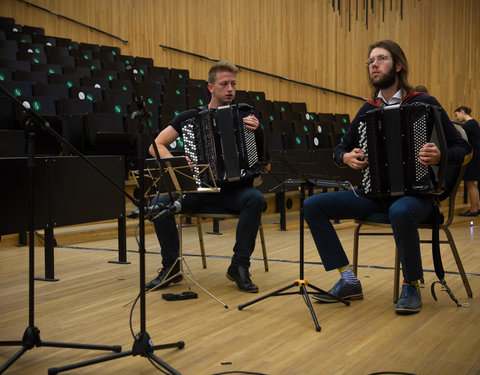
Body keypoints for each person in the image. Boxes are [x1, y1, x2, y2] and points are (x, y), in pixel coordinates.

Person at [303, 40, 472, 315]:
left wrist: (441, 155)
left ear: (398, 65)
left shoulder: (424, 104)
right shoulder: (368, 109)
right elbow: (340, 149)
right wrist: (346, 158)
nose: (374, 65)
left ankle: (412, 285)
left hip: (419, 197)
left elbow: (463, 149)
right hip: (375, 195)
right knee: (312, 206)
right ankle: (348, 280)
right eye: (370, 61)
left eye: (381, 59)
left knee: (400, 209)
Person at [145, 60, 269, 293]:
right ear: (211, 87)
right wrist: (178, 163)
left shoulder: (246, 116)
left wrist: (259, 132)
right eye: (224, 84)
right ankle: (171, 267)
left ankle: (239, 266)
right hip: (199, 192)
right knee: (158, 203)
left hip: (235, 193)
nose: (230, 89)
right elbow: (156, 146)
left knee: (256, 199)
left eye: (233, 83)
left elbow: (265, 162)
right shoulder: (189, 117)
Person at [454, 106, 480, 216]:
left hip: (472, 156)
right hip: (477, 155)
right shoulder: (475, 123)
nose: (456, 118)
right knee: (473, 184)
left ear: (462, 112)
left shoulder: (468, 125)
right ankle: (477, 208)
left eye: (456, 115)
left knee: (469, 183)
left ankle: (474, 209)